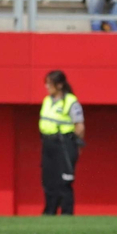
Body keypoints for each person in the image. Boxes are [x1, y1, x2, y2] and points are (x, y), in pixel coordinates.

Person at [37, 69, 84, 215]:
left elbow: (79, 126)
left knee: (64, 181)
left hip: (64, 143)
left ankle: (66, 214)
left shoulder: (70, 102)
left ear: (59, 85)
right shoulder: (47, 101)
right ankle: (49, 212)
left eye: (49, 83)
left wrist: (77, 146)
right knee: (48, 180)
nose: (46, 86)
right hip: (48, 143)